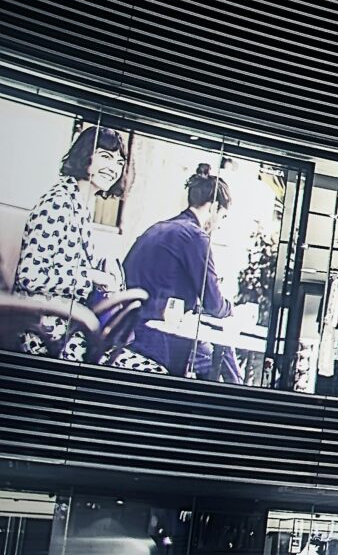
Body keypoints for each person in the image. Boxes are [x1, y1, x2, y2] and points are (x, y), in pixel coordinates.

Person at [10, 124, 126, 359]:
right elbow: (29, 275)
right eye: (105, 157)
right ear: (85, 156)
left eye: (119, 162)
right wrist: (92, 276)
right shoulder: (59, 202)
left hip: (69, 328)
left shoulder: (80, 204)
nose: (113, 168)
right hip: (45, 330)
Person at [120, 164, 237, 379]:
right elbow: (214, 304)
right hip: (160, 339)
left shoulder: (156, 228)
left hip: (130, 329)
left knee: (215, 350)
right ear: (213, 208)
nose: (220, 224)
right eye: (223, 216)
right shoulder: (196, 236)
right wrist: (233, 309)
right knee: (222, 355)